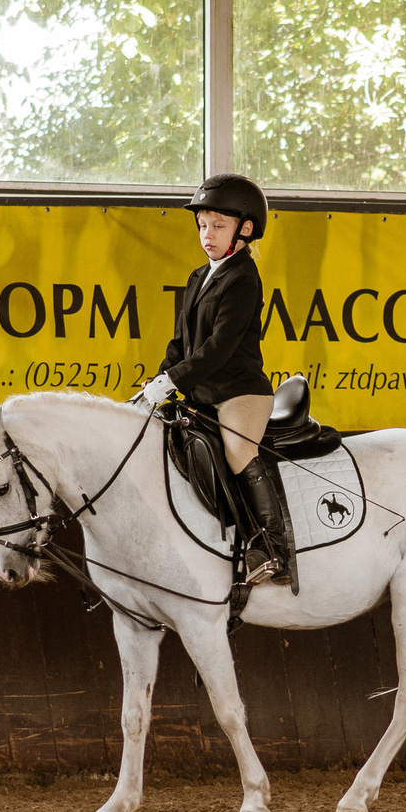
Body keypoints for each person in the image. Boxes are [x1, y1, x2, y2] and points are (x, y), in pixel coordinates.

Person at [136, 175, 296, 592]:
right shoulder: (197, 278)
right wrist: (158, 380)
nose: (207, 234)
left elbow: (218, 348)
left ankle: (271, 547)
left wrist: (175, 379)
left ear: (244, 229)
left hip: (240, 391)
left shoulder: (244, 279)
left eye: (218, 226)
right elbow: (181, 344)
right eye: (203, 225)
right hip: (200, 390)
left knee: (239, 448)